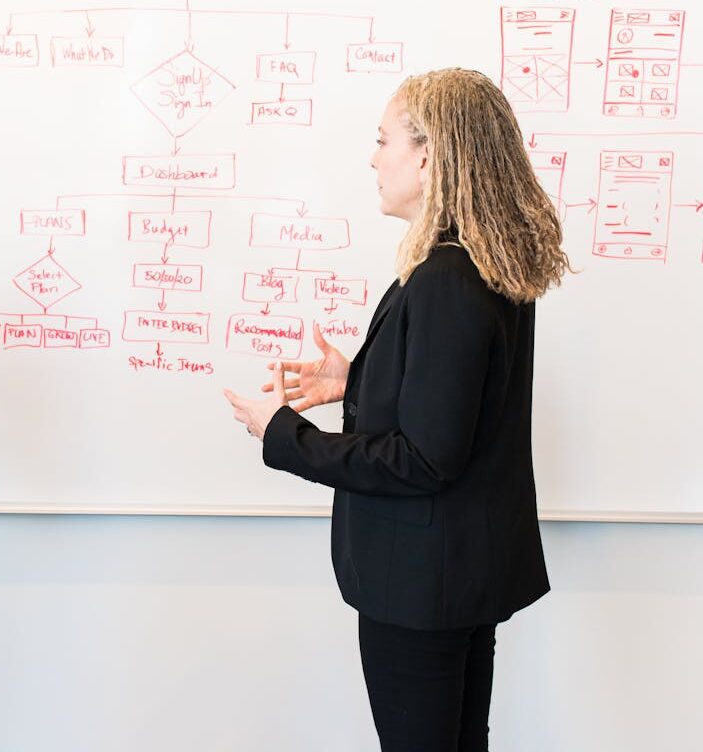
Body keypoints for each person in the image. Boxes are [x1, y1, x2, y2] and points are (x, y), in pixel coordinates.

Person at [224, 68, 572, 751]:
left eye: (384, 140)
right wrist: (356, 379)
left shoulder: (446, 277)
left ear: (428, 155)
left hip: (422, 586)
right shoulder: (484, 264)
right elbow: (461, 403)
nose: (373, 158)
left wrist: (284, 435)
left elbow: (422, 459)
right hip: (456, 575)